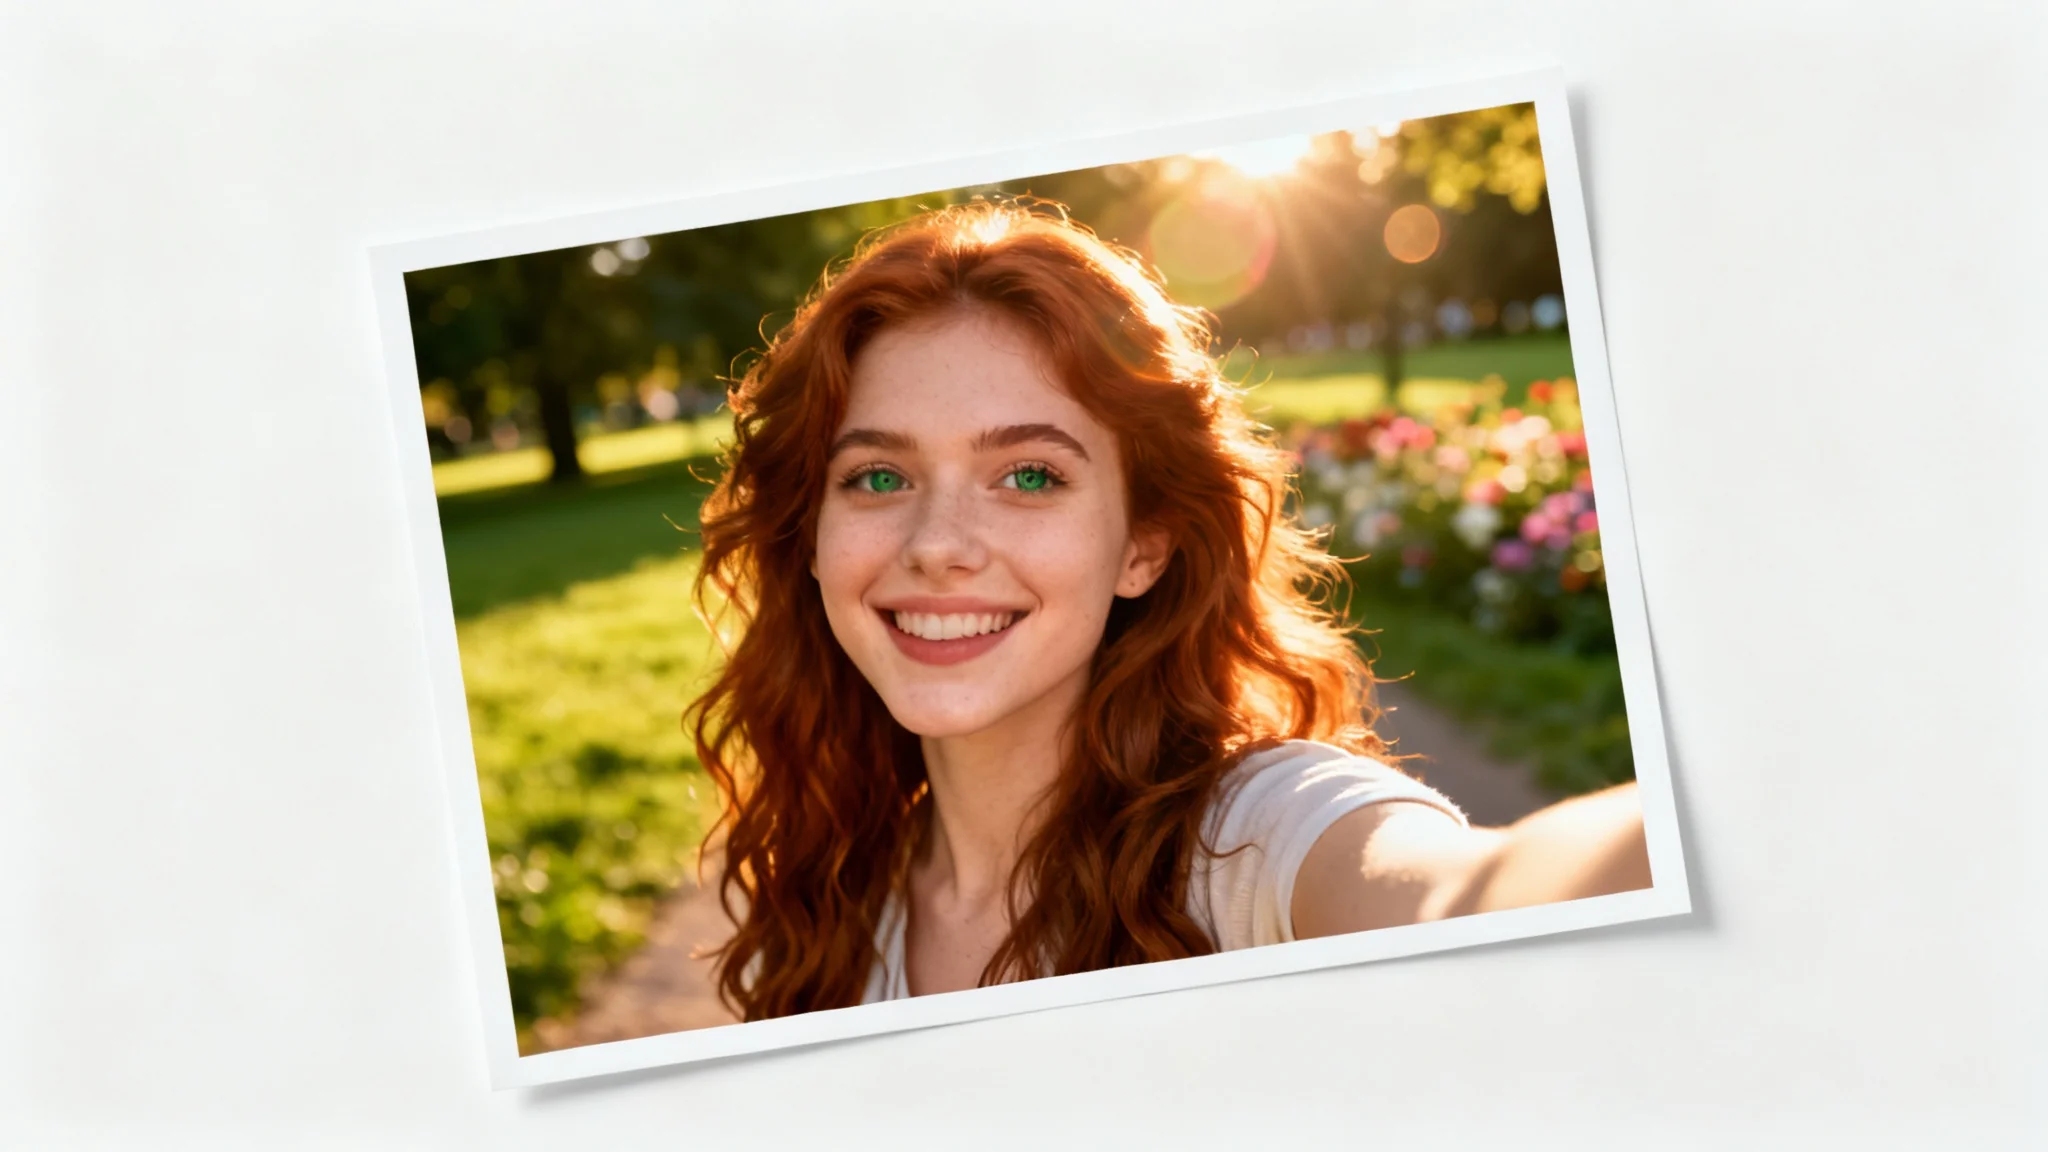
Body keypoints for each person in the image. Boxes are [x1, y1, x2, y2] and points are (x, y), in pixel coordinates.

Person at [687, 200, 1649, 1022]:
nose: (937, 544)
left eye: (1030, 475)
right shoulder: (832, 896)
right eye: (877, 476)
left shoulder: (1256, 843)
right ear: (811, 532)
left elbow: (1469, 895)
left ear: (1143, 544)